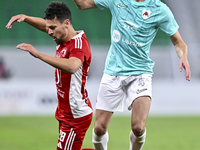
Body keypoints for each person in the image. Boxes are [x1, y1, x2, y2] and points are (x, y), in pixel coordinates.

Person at [72, 0, 191, 150]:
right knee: (99, 129)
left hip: (140, 73)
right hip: (113, 72)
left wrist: (183, 56)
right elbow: (82, 4)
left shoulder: (159, 9)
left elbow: (179, 43)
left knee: (138, 128)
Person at [6, 2, 93, 150]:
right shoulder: (62, 36)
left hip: (75, 115)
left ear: (66, 23)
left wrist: (38, 54)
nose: (49, 32)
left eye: (52, 28)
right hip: (65, 111)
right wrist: (26, 18)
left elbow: (72, 66)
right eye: (49, 28)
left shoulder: (79, 45)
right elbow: (45, 26)